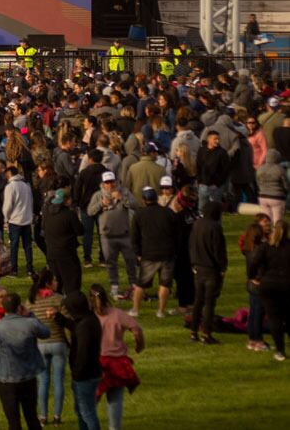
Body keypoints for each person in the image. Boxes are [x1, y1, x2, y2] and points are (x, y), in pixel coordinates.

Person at [0, 291, 48, 430]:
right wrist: (30, 314)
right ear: (19, 307)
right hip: (28, 377)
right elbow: (46, 332)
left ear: (3, 307)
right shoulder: (30, 323)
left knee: (13, 422)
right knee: (31, 417)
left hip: (6, 380)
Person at [89, 284, 144, 430]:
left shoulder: (89, 317)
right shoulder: (117, 314)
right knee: (115, 398)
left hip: (96, 362)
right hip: (117, 362)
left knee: (91, 399)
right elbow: (136, 329)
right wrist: (140, 345)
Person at [87, 173, 139, 301]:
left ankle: (134, 285)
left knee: (130, 261)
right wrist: (101, 203)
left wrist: (122, 198)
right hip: (107, 236)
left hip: (125, 234)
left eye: (112, 181)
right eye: (107, 182)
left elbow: (135, 205)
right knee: (111, 262)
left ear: (116, 181)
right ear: (103, 184)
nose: (110, 184)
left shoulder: (124, 192)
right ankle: (114, 286)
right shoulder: (98, 195)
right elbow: (89, 211)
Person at [56, 292, 103, 430]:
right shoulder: (88, 318)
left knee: (87, 413)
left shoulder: (84, 326)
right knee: (82, 412)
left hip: (84, 376)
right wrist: (62, 320)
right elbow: (76, 326)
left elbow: (83, 352)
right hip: (91, 373)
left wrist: (77, 374)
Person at [130, 185, 178, 318]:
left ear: (144, 200)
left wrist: (138, 253)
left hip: (148, 254)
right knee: (165, 284)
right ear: (156, 198)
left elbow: (134, 236)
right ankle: (161, 311)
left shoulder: (139, 214)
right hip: (167, 253)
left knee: (141, 284)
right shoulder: (168, 212)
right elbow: (176, 233)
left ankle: (135, 309)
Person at [27, 270, 68, 426]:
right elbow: (67, 321)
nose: (57, 283)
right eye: (55, 280)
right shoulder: (59, 299)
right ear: (49, 283)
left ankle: (42, 416)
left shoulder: (31, 301)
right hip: (58, 342)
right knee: (58, 381)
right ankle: (57, 416)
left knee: (43, 381)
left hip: (40, 344)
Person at [249, 218, 290, 361]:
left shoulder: (266, 247)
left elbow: (253, 262)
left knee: (274, 319)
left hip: (269, 285)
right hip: (286, 284)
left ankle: (280, 350)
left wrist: (253, 277)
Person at [187, 201, 227, 344]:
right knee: (210, 303)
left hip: (198, 267)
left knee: (198, 301)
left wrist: (193, 262)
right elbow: (218, 250)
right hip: (211, 269)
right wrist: (222, 267)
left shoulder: (197, 224)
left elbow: (191, 245)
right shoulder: (215, 227)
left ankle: (193, 332)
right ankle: (206, 333)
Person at [1, 167, 35, 277]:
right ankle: (30, 269)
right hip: (26, 219)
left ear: (9, 174)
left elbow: (7, 205)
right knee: (28, 246)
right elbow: (30, 201)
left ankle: (14, 270)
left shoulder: (10, 186)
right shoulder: (26, 186)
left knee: (14, 246)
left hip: (15, 220)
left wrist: (6, 218)